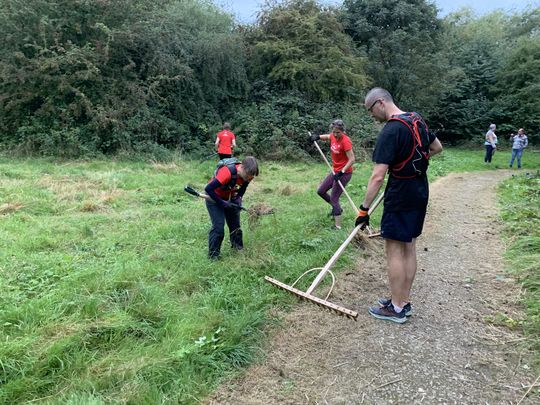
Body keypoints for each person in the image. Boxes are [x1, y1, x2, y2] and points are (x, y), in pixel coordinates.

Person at [354, 88, 443, 323]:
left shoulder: (391, 130)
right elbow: (436, 148)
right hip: (419, 189)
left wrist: (363, 209)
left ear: (380, 103)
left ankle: (395, 308)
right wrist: (412, 164)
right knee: (409, 246)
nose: (372, 115)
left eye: (371, 110)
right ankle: (402, 301)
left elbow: (377, 176)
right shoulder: (417, 119)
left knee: (394, 249)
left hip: (401, 193)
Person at [204, 156, 259, 260]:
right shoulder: (227, 173)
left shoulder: (249, 175)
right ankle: (213, 255)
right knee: (218, 227)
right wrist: (222, 203)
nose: (249, 178)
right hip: (213, 197)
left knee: (235, 225)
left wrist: (238, 198)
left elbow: (243, 187)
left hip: (229, 197)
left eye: (251, 176)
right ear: (242, 167)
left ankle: (238, 248)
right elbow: (208, 188)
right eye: (247, 175)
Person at [309, 119, 355, 230]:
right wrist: (318, 137)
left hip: (344, 173)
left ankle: (338, 226)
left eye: (338, 132)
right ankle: (337, 209)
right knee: (321, 191)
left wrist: (342, 171)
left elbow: (352, 159)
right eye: (334, 131)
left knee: (334, 198)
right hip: (335, 171)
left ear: (342, 131)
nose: (335, 134)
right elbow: (328, 136)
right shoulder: (333, 136)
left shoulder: (345, 141)